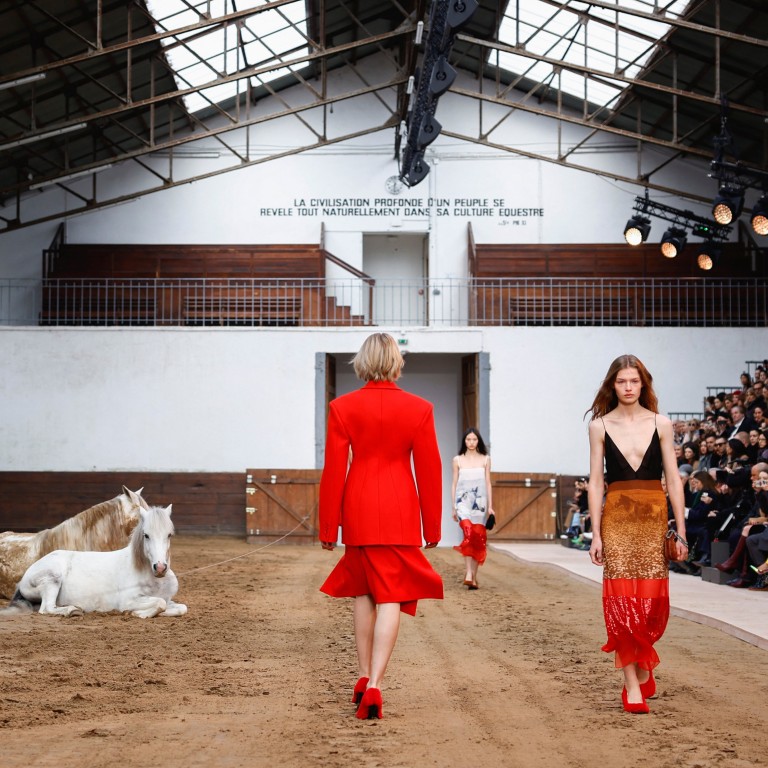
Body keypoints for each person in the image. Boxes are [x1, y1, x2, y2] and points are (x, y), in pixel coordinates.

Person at [318, 333, 443, 720]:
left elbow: (334, 470)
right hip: (400, 508)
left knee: (363, 592)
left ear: (363, 361)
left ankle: (361, 674)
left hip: (358, 506)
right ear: (396, 361)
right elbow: (429, 468)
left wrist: (328, 527)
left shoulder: (342, 407)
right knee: (391, 595)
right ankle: (375, 683)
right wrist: (432, 525)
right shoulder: (419, 408)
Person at [586, 354, 687, 715]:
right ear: (612, 385)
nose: (628, 388)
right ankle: (631, 685)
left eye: (634, 381)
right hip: (616, 518)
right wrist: (595, 532)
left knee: (651, 604)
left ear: (643, 384)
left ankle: (644, 662)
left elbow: (673, 478)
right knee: (620, 601)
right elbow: (596, 480)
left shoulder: (661, 423)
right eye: (621, 382)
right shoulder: (599, 425)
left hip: (653, 517)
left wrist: (681, 528)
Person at [451, 427, 495, 589]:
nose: (471, 442)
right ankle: (469, 573)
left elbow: (488, 483)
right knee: (468, 534)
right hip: (463, 502)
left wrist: (491, 506)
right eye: (468, 439)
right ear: (464, 441)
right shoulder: (457, 460)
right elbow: (454, 483)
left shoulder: (485, 459)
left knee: (478, 539)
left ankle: (473, 577)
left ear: (478, 441)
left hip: (481, 503)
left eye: (474, 439)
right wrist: (453, 507)